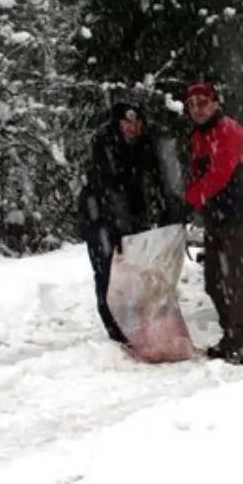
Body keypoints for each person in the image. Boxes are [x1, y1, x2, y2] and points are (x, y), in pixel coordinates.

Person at [76, 98, 185, 344]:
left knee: (136, 272)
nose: (132, 128)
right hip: (100, 216)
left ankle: (138, 326)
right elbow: (109, 189)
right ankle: (116, 332)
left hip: (134, 214)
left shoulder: (148, 142)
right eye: (127, 122)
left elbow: (164, 179)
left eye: (137, 122)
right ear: (118, 123)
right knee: (107, 272)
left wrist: (171, 210)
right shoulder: (104, 144)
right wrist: (122, 229)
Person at [184, 79, 243, 365]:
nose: (197, 109)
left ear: (215, 103)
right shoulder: (199, 136)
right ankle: (231, 335)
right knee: (214, 283)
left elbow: (217, 176)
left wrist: (189, 201)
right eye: (191, 105)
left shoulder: (230, 132)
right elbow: (197, 176)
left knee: (235, 283)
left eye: (203, 103)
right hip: (216, 219)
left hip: (241, 217)